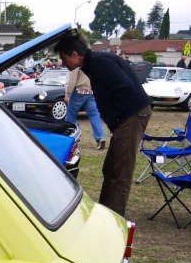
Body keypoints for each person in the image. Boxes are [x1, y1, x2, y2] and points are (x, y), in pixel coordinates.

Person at [55, 30, 152, 217]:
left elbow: (125, 88)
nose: (63, 63)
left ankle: (114, 221)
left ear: (75, 55)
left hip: (132, 115)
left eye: (64, 58)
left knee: (120, 173)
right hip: (125, 118)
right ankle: (104, 212)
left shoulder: (100, 63)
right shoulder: (92, 64)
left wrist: (116, 119)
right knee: (110, 168)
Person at [63, 65, 106, 149]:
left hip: (78, 91)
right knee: (94, 115)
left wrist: (67, 94)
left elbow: (72, 81)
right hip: (91, 91)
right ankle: (100, 137)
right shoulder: (92, 63)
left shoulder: (76, 65)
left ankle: (67, 136)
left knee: (71, 115)